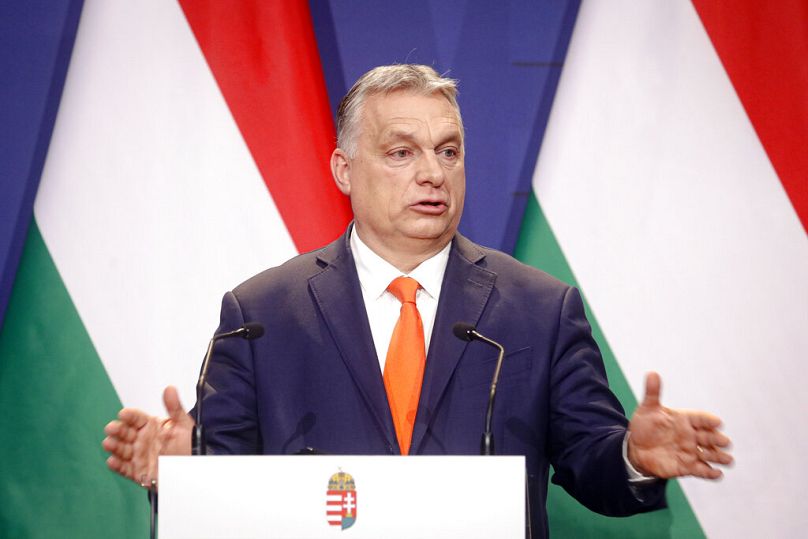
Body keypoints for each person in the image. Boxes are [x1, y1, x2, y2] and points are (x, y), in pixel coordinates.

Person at [103, 64, 732, 537]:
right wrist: (184, 475)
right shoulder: (262, 315)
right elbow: (224, 495)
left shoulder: (538, 309)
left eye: (448, 151)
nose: (433, 172)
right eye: (402, 152)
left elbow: (593, 461)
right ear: (344, 170)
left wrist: (634, 455)